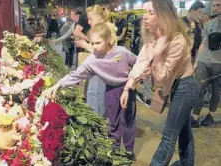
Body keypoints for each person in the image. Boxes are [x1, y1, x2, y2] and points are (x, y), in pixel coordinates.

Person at [121, 1, 200, 165]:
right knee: (183, 130)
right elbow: (141, 61)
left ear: (163, 15)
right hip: (175, 86)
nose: (144, 17)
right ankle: (188, 162)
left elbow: (163, 76)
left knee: (169, 135)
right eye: (145, 12)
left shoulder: (177, 40)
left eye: (151, 12)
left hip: (186, 87)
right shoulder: (152, 36)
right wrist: (128, 87)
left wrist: (157, 55)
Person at [46, 23, 137, 161]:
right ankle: (115, 151)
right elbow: (75, 75)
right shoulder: (92, 60)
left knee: (128, 120)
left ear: (109, 40)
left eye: (98, 43)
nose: (94, 47)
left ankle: (129, 151)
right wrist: (58, 85)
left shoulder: (121, 52)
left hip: (127, 89)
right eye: (92, 43)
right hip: (111, 90)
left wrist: (133, 81)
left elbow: (138, 64)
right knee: (113, 122)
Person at [76, 5, 118, 117]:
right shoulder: (100, 30)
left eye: (91, 19)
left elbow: (105, 55)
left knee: (98, 103)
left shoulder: (107, 31)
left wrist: (86, 45)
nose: (88, 22)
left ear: (99, 18)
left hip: (102, 74)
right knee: (94, 99)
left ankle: (99, 128)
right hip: (97, 72)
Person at [191, 0, 221, 128]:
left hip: (219, 63)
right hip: (204, 61)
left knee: (216, 91)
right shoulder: (210, 24)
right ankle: (195, 116)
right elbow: (204, 43)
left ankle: (211, 115)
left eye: (218, 5)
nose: (215, 8)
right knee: (199, 88)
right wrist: (196, 62)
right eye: (213, 5)